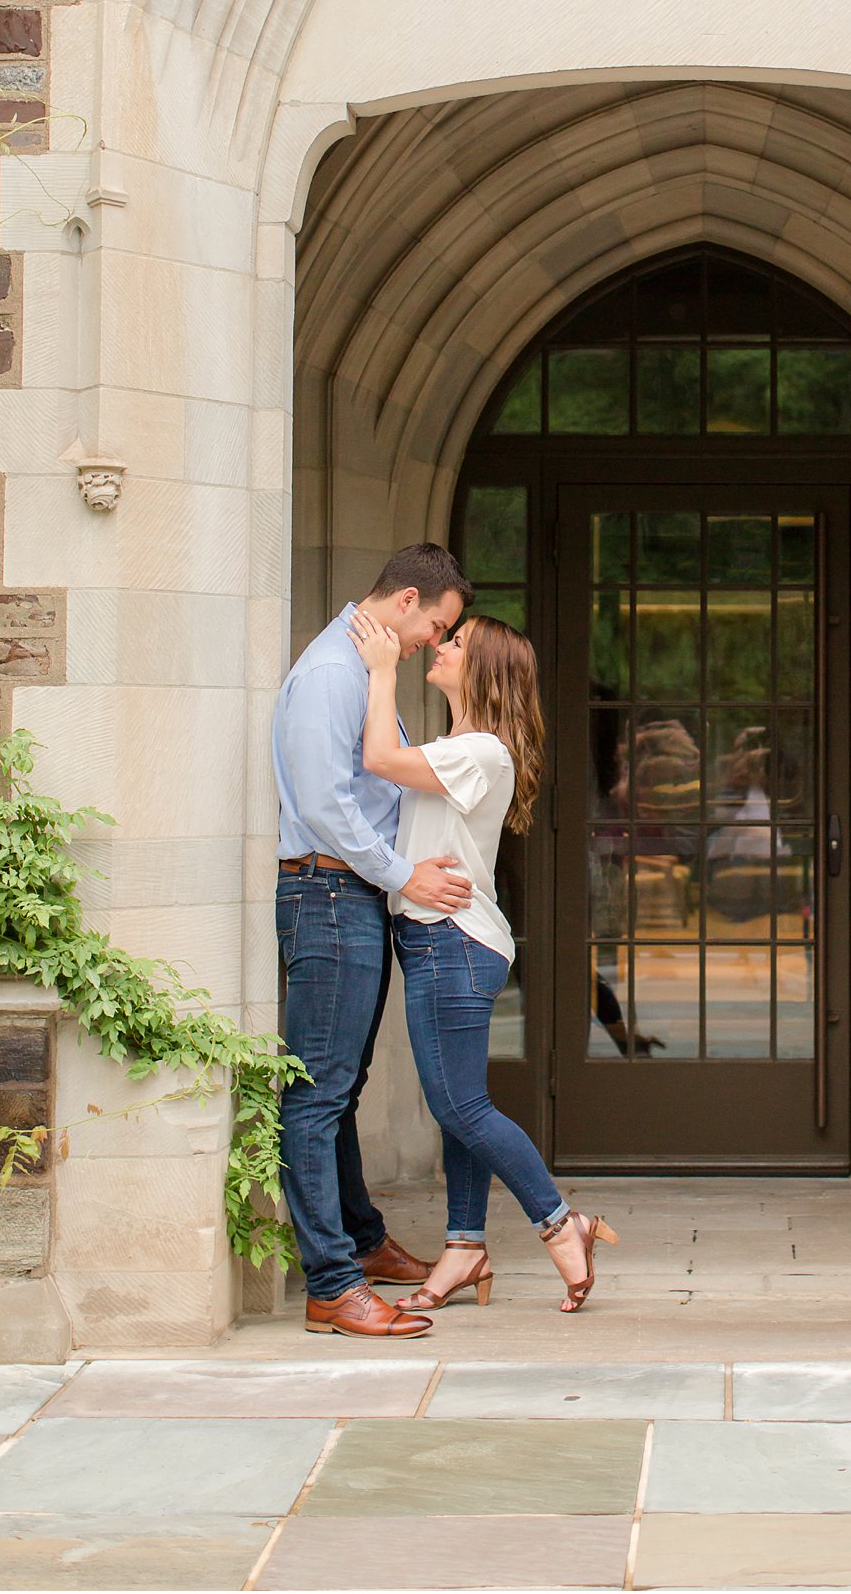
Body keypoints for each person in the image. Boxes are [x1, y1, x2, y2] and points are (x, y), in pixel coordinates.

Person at [347, 604, 618, 1314]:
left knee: (458, 1104)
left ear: (483, 668)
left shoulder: (481, 750)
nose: (439, 643)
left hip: (451, 942)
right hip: (448, 940)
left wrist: (380, 672)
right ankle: (465, 1249)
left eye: (455, 641)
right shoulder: (463, 744)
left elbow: (377, 758)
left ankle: (562, 1222)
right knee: (462, 1106)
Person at [273, 543, 474, 1340]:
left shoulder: (362, 668)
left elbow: (376, 780)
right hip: (327, 890)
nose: (434, 638)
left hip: (349, 891)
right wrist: (403, 874)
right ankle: (332, 1283)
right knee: (317, 1093)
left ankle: (361, 1241)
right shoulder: (331, 675)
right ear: (406, 602)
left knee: (340, 1084)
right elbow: (325, 802)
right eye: (437, 623)